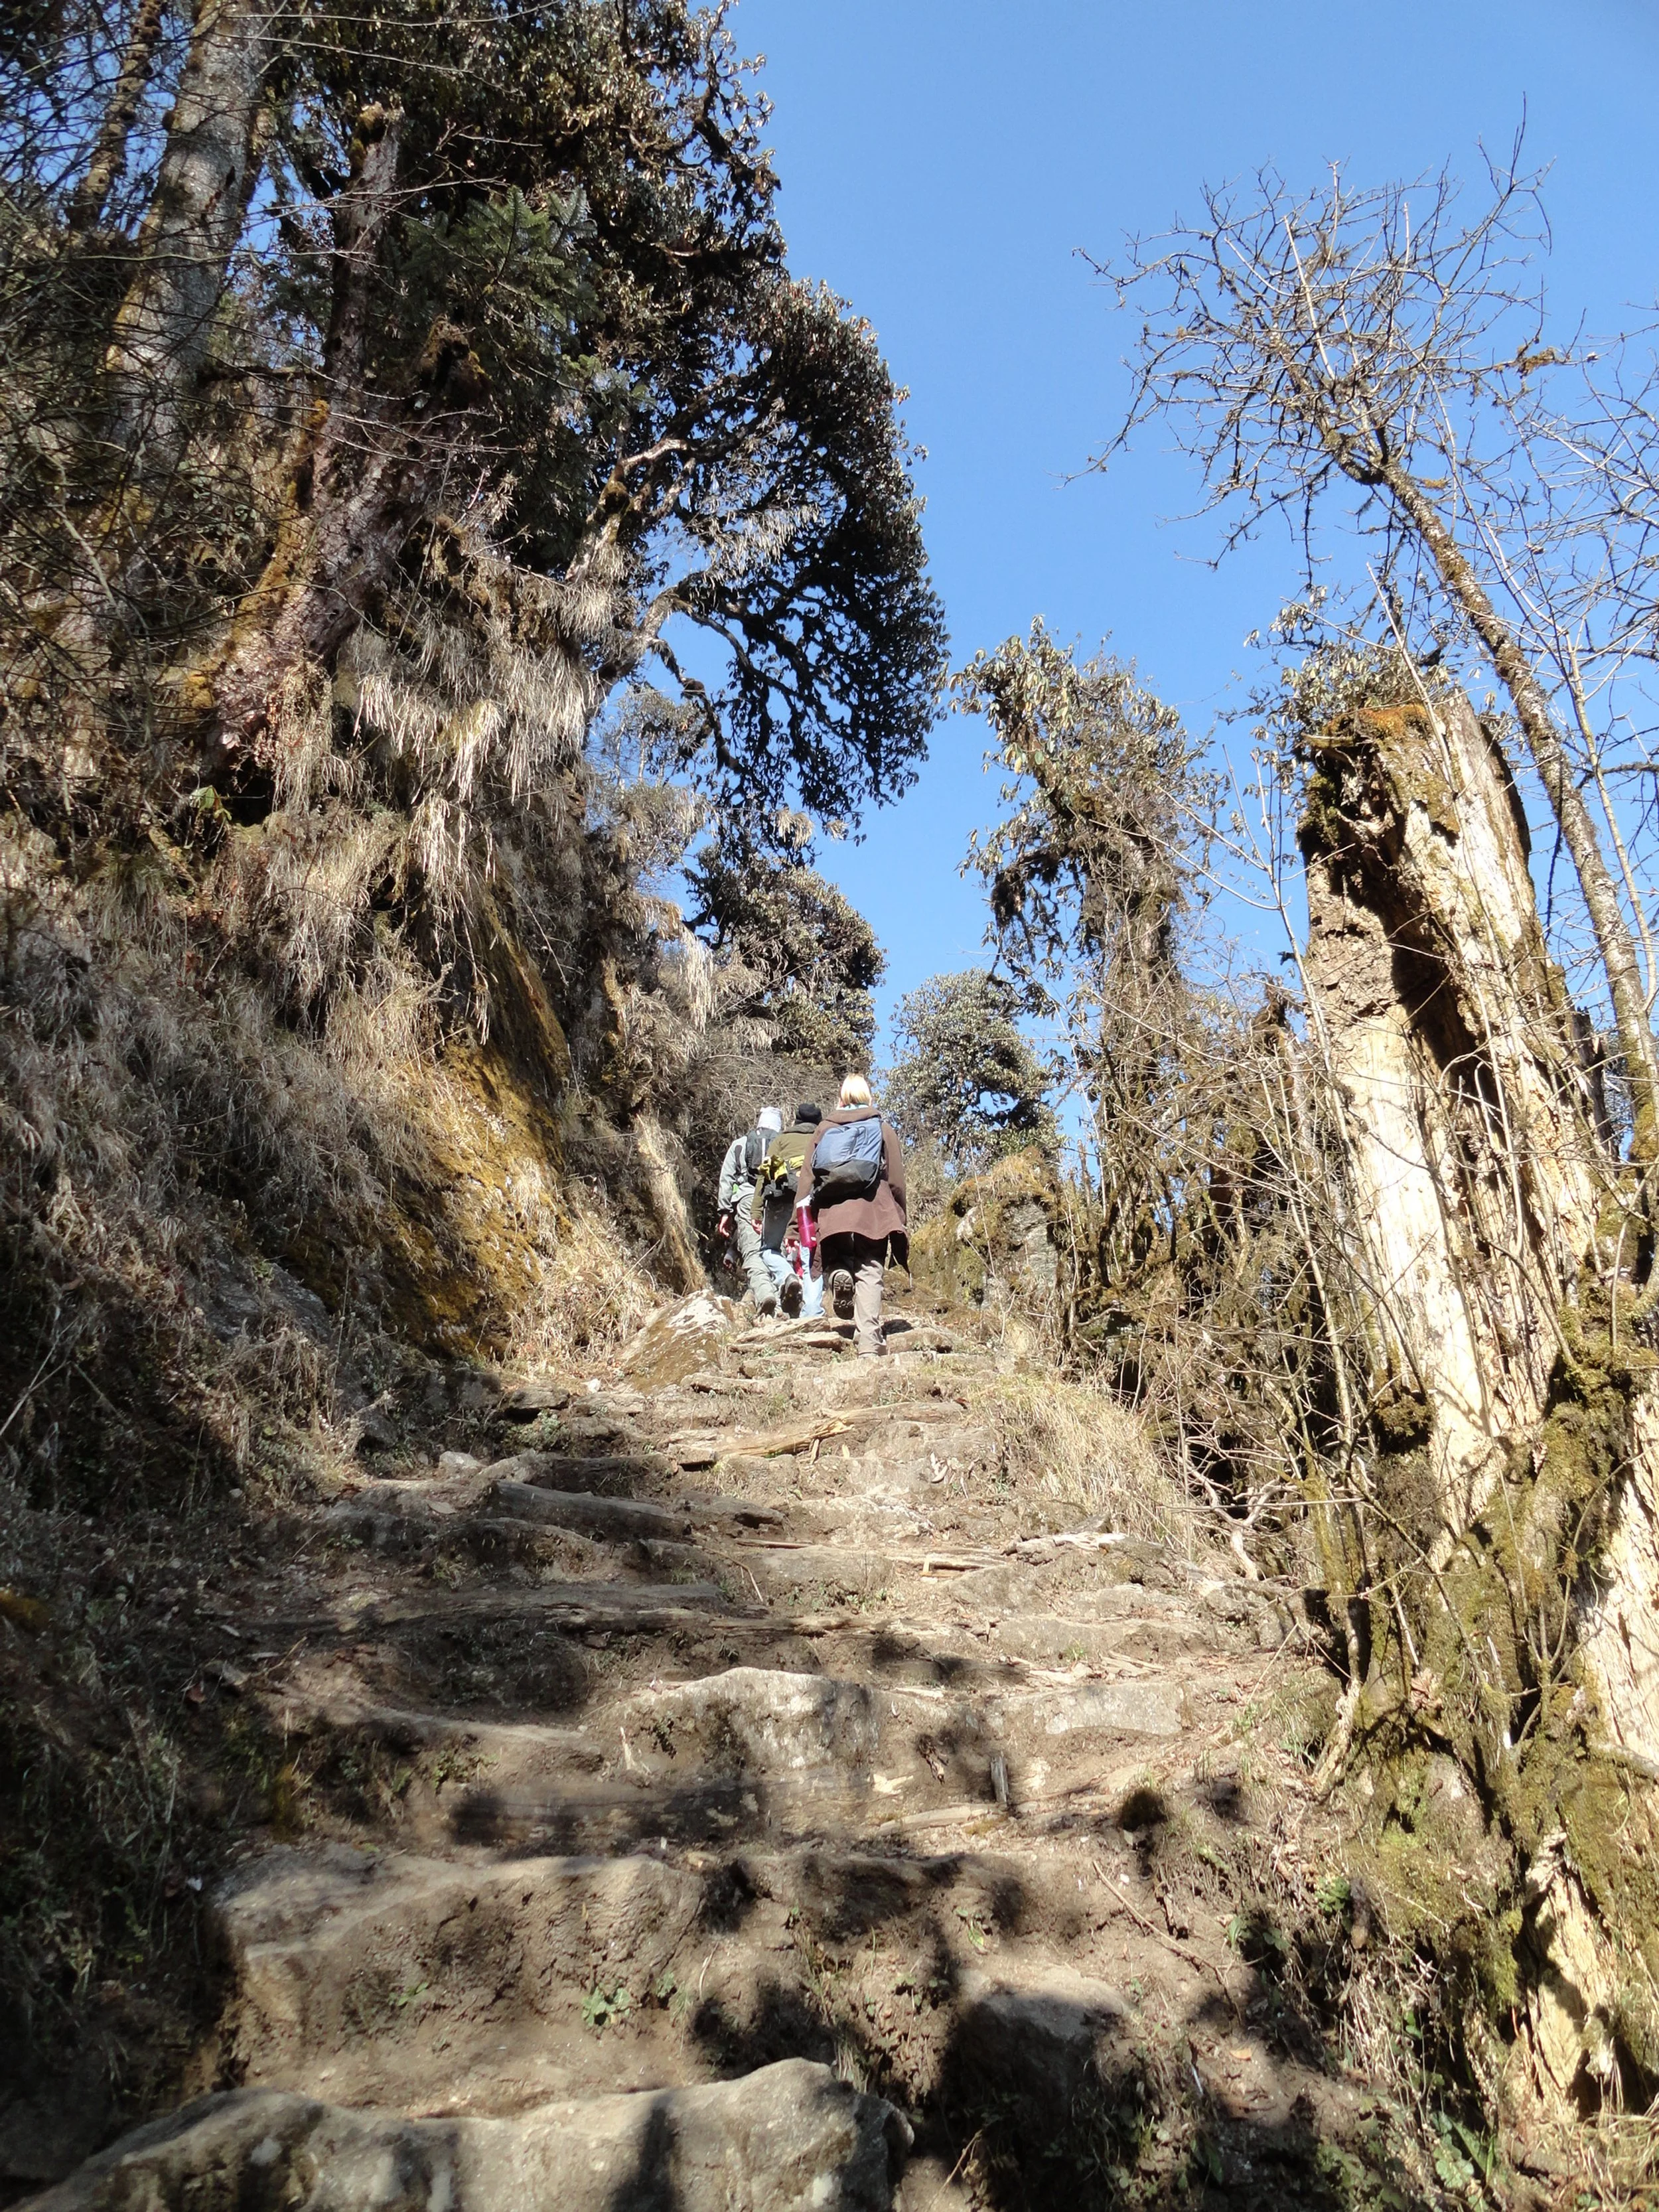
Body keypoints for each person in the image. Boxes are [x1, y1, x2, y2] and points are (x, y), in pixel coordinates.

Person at [798, 1073, 906, 1357]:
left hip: (832, 1213)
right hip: (873, 1211)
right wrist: (899, 1214)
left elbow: (807, 1179)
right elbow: (895, 1180)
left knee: (837, 1255)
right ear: (868, 1097)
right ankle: (869, 1342)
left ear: (842, 1098)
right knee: (870, 1269)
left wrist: (799, 1222)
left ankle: (839, 1273)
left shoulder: (823, 1129)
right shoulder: (882, 1128)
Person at [753, 1104, 824, 1319]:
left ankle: (786, 1276)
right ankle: (812, 1312)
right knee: (810, 1256)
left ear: (796, 1120)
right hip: (811, 1203)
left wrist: (756, 1211)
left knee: (768, 1250)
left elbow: (766, 1176)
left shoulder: (782, 1140)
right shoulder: (823, 1139)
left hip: (781, 1202)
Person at [717, 1106, 784, 1313]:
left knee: (753, 1252)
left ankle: (765, 1295)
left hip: (746, 1201)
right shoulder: (783, 1145)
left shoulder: (741, 1144)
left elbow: (726, 1178)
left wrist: (725, 1212)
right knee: (775, 1252)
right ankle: (780, 1303)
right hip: (776, 1203)